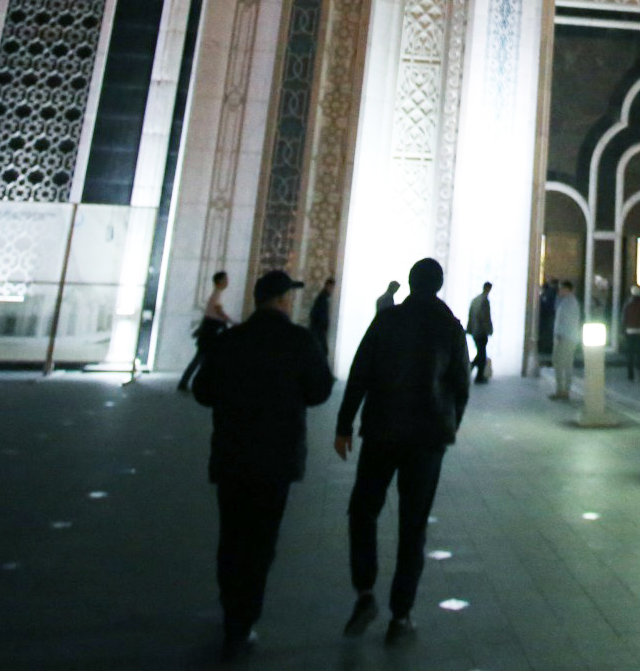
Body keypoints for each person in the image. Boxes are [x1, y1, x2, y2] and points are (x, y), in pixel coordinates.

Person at [193, 269, 331, 660]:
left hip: (233, 456)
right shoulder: (299, 341)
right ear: (283, 299)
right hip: (276, 460)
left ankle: (231, 608)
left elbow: (203, 391)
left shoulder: (232, 340)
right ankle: (243, 619)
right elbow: (320, 390)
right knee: (261, 540)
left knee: (232, 535)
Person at [335, 256, 471, 642]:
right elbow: (461, 385)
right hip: (427, 440)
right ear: (438, 286)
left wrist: (344, 425)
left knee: (363, 510)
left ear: (411, 283)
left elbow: (360, 372)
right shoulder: (450, 327)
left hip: (382, 432)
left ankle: (365, 592)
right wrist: (449, 425)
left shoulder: (388, 320)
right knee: (413, 526)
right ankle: (401, 615)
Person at [178, 271, 232, 392]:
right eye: (225, 279)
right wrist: (231, 321)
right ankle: (189, 383)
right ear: (220, 281)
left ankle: (191, 382)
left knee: (202, 358)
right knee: (201, 358)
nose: (227, 282)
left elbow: (209, 314)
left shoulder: (216, 295)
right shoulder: (216, 295)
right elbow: (219, 312)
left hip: (209, 329)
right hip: (211, 331)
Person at [549, 280, 582, 400]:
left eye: (561, 288)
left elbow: (567, 321)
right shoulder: (566, 301)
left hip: (565, 338)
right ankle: (564, 390)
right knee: (565, 364)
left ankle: (562, 390)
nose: (559, 291)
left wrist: (560, 335)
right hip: (567, 337)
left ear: (567, 289)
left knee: (560, 363)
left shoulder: (570, 303)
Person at [464, 281, 493, 384]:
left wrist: (469, 329)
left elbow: (470, 315)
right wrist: (488, 329)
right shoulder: (484, 301)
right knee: (482, 354)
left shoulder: (475, 300)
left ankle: (469, 370)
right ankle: (478, 376)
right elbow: (485, 317)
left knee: (480, 353)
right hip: (481, 331)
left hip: (475, 330)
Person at [621, 285, 640, 382]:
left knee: (630, 353)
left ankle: (630, 374)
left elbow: (624, 318)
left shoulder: (628, 304)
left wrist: (623, 330)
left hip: (630, 331)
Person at [308, 275, 336, 372]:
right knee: (322, 352)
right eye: (331, 287)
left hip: (318, 330)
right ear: (328, 286)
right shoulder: (322, 298)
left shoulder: (323, 297)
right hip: (318, 331)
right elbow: (316, 314)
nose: (332, 290)